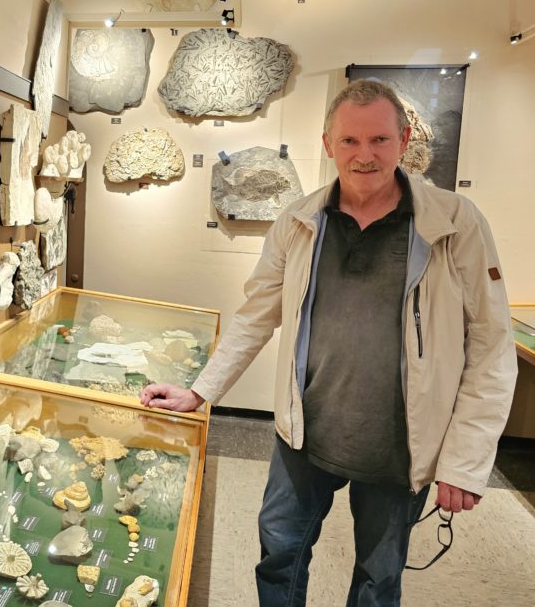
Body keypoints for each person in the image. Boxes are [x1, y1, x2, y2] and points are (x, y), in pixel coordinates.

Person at [140, 80, 517, 607]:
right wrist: (200, 391)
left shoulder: (455, 223)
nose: (365, 156)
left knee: (379, 579)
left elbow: (491, 348)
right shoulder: (298, 222)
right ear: (328, 144)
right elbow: (255, 316)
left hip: (402, 444)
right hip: (304, 433)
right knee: (279, 556)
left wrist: (466, 460)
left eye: (380, 140)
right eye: (350, 142)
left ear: (404, 140)